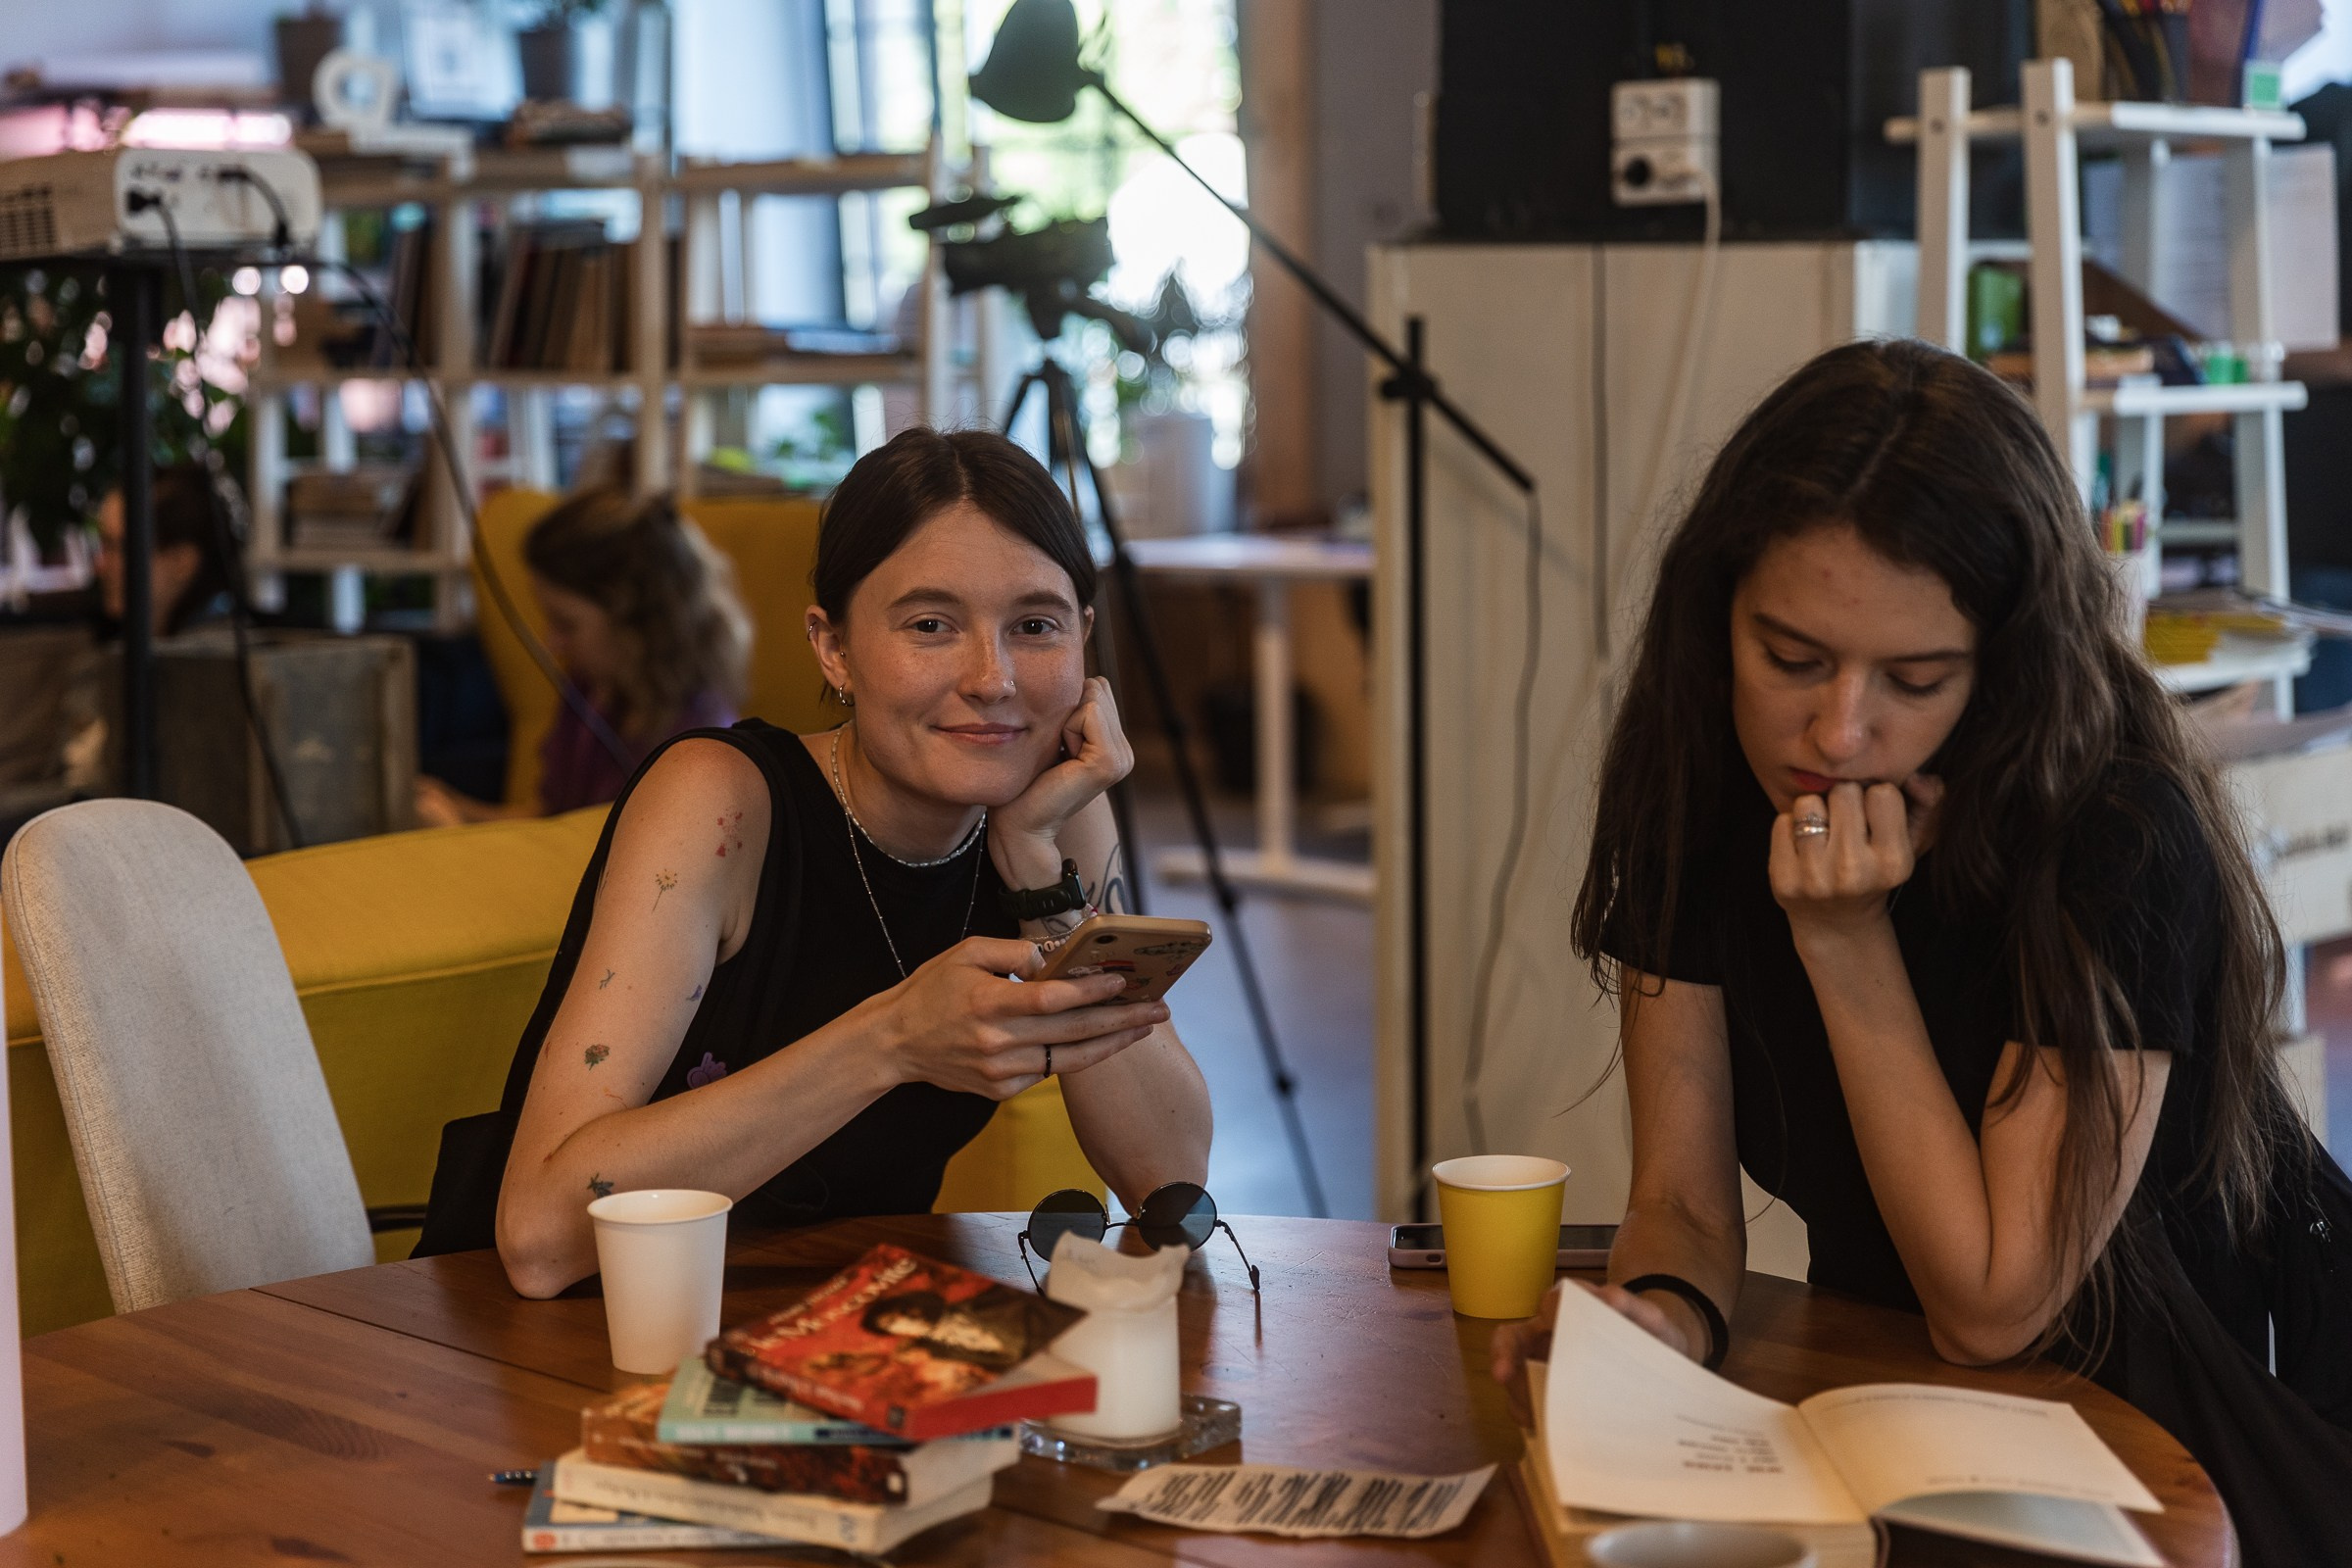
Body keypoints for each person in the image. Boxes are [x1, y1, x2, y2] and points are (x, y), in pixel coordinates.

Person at [1489, 339, 2352, 1566]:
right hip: (1897, 1410)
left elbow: (1992, 1304)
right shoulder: (1695, 777)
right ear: (1717, 613)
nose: (1839, 731)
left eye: (1916, 677)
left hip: (2169, 1451)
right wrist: (1656, 1327)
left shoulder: (2112, 826)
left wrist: (1845, 940)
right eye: (1790, 659)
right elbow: (1680, 1200)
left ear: (2003, 671)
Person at [414, 426, 1213, 1297]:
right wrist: (893, 1039)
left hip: (830, 1329)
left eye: (1034, 625)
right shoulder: (721, 799)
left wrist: (1031, 859)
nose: (994, 678)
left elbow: (1167, 1182)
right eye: (931, 625)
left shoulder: (1054, 816)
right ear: (832, 646)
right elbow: (538, 1239)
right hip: (564, 1335)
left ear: (1083, 643)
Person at [414, 487, 750, 824]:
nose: (552, 643)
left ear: (635, 620)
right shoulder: (590, 689)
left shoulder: (697, 743)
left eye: (566, 624)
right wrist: (457, 808)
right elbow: (549, 822)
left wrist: (454, 830)